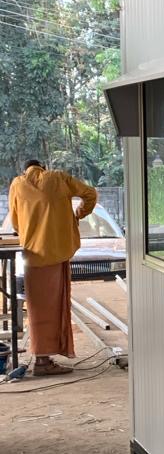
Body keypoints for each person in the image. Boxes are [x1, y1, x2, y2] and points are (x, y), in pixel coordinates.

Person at [8, 160, 98, 375]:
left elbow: (15, 221)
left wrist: (30, 231)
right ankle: (42, 362)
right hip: (57, 252)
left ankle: (43, 358)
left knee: (37, 309)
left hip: (33, 256)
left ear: (25, 170)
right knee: (56, 307)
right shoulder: (57, 178)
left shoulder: (17, 184)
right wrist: (78, 214)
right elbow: (90, 194)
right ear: (43, 168)